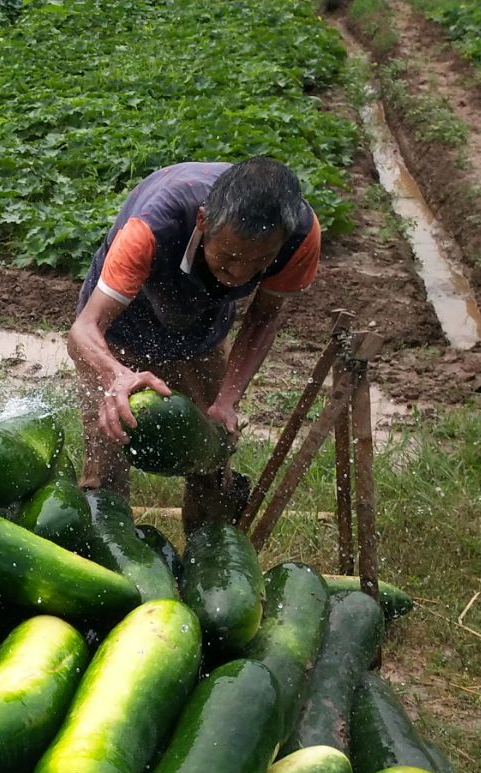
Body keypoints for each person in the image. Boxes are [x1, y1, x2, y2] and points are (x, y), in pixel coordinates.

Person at [67, 157, 322, 527]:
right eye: (230, 257)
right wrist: (115, 376)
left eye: (259, 261)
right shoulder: (153, 226)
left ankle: (209, 558)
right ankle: (103, 551)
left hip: (201, 326)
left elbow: (264, 316)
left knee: (212, 451)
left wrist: (228, 399)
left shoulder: (300, 235)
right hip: (119, 325)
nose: (240, 276)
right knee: (108, 446)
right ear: (204, 221)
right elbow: (84, 329)